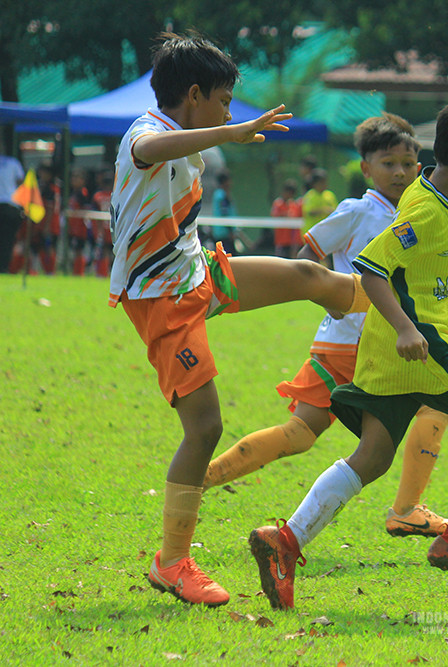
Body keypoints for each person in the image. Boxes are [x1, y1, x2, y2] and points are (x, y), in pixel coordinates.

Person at [110, 32, 369, 608]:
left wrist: (224, 131)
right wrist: (230, 132)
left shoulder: (180, 133)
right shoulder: (145, 133)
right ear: (194, 96)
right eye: (224, 101)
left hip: (196, 273)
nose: (230, 114)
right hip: (162, 299)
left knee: (306, 277)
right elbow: (150, 150)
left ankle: (410, 306)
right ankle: (171, 563)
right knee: (204, 428)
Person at [248, 92, 448, 611]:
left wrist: (446, 309)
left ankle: (284, 541)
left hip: (387, 350)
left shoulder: (436, 193)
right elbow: (374, 267)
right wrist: (406, 328)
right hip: (422, 348)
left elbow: (412, 274)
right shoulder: (429, 211)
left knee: (372, 457)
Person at [205, 112, 448, 539]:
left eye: (408, 163)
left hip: (382, 343)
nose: (399, 172)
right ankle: (205, 476)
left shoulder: (419, 214)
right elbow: (308, 255)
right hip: (358, 344)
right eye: (388, 163)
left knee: (310, 432)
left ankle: (199, 480)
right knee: (422, 409)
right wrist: (327, 296)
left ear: (420, 166)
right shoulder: (357, 211)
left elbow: (416, 285)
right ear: (366, 168)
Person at [0, 137, 25, 273]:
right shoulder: (13, 163)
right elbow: (20, 183)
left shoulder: (13, 162)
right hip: (10, 205)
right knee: (8, 239)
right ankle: (4, 266)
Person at [66, 168, 94, 276]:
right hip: (73, 227)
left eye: (77, 178)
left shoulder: (83, 194)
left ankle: (79, 272)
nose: (74, 180)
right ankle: (75, 271)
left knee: (79, 250)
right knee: (74, 251)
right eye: (73, 178)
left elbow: (85, 211)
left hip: (80, 228)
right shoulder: (73, 193)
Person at [90, 170, 114, 278]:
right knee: (110, 252)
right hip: (112, 228)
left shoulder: (98, 196)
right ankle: (107, 272)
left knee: (105, 252)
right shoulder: (116, 195)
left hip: (104, 228)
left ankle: (104, 273)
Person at [271, 179, 303, 259]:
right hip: (281, 240)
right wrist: (285, 215)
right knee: (280, 260)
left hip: (292, 241)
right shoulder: (278, 203)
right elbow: (274, 215)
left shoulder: (293, 204)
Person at [301, 168, 337, 236]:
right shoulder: (310, 195)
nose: (325, 184)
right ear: (314, 184)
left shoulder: (330, 195)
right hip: (312, 232)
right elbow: (309, 212)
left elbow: (336, 210)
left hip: (326, 232)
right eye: (322, 182)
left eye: (325, 182)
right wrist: (324, 210)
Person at [210, 170, 237, 253]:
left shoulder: (217, 194)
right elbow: (224, 213)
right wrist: (231, 231)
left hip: (220, 233)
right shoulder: (221, 195)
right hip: (224, 235)